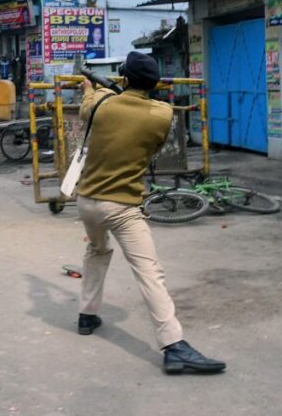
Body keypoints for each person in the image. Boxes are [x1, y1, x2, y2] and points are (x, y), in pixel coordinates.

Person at [75, 51, 226, 375]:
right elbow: (141, 119)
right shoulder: (162, 113)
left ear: (125, 79)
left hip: (87, 202)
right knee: (149, 272)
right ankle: (174, 345)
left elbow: (92, 101)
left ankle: (87, 315)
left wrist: (91, 87)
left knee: (96, 250)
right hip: (122, 208)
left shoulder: (99, 105)